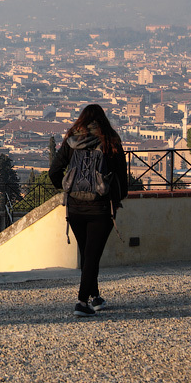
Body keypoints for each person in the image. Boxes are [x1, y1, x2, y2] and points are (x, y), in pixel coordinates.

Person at [49, 104, 129, 318]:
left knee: (87, 253)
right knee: (92, 255)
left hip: (75, 207)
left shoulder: (72, 140)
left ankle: (95, 298)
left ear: (81, 120)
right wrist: (117, 197)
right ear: (103, 120)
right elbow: (122, 174)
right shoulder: (111, 141)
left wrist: (67, 188)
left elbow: (54, 171)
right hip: (101, 207)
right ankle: (82, 302)